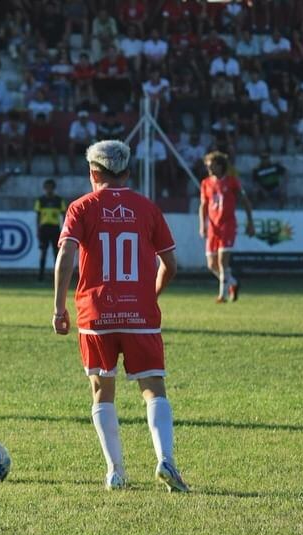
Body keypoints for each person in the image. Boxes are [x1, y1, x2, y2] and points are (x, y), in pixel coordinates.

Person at [51, 139, 187, 493]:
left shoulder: (80, 208)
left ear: (93, 172)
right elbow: (170, 264)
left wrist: (59, 306)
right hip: (140, 313)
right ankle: (166, 460)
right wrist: (150, 294)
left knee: (101, 390)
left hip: (96, 314)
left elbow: (66, 255)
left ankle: (115, 471)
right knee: (154, 388)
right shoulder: (147, 208)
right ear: (127, 172)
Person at [200, 151, 255, 304]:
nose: (209, 170)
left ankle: (222, 295)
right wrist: (202, 225)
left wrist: (250, 223)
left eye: (212, 166)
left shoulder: (232, 182)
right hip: (212, 227)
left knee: (223, 261)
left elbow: (245, 202)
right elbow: (203, 206)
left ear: (220, 166)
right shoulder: (205, 183)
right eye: (208, 167)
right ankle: (233, 283)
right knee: (212, 264)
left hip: (227, 225)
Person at [34, 178, 67, 282]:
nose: (48, 190)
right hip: (44, 229)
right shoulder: (40, 200)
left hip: (55, 228)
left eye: (50, 188)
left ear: (53, 188)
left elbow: (64, 215)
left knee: (56, 253)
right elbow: (38, 216)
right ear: (44, 189)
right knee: (43, 252)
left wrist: (64, 229)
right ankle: (41, 277)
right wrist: (38, 229)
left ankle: (56, 277)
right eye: (47, 188)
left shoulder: (59, 200)